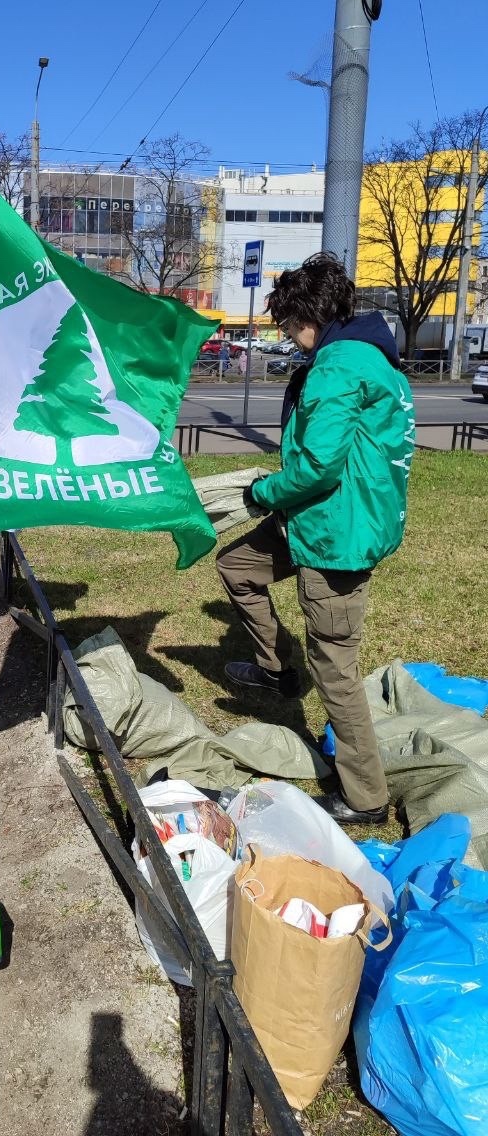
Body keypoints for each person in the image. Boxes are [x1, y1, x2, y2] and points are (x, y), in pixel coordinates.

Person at [216, 253, 415, 825]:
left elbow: (318, 468)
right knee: (240, 567)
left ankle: (365, 797)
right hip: (316, 518)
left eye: (286, 326)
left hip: (335, 535)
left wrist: (259, 494)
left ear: (308, 317)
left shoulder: (338, 365)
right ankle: (279, 667)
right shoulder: (369, 358)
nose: (287, 337)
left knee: (336, 670)